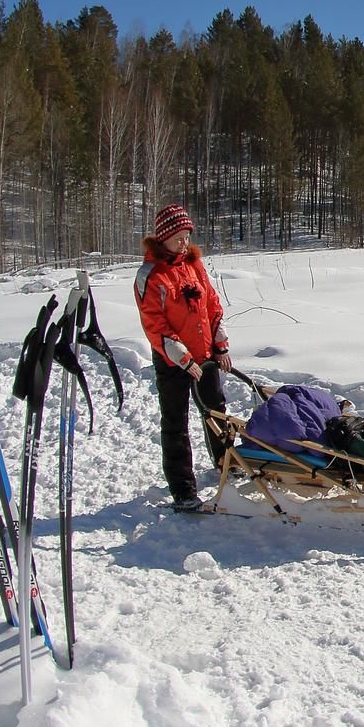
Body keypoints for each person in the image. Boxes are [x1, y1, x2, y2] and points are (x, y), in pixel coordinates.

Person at [136, 203, 231, 508]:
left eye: (187, 236)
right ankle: (183, 489)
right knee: (176, 422)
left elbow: (212, 305)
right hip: (172, 361)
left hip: (204, 356)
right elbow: (155, 324)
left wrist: (220, 345)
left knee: (216, 411)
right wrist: (182, 358)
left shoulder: (194, 265)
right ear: (162, 238)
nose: (184, 242)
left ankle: (226, 463)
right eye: (178, 237)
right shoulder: (151, 275)